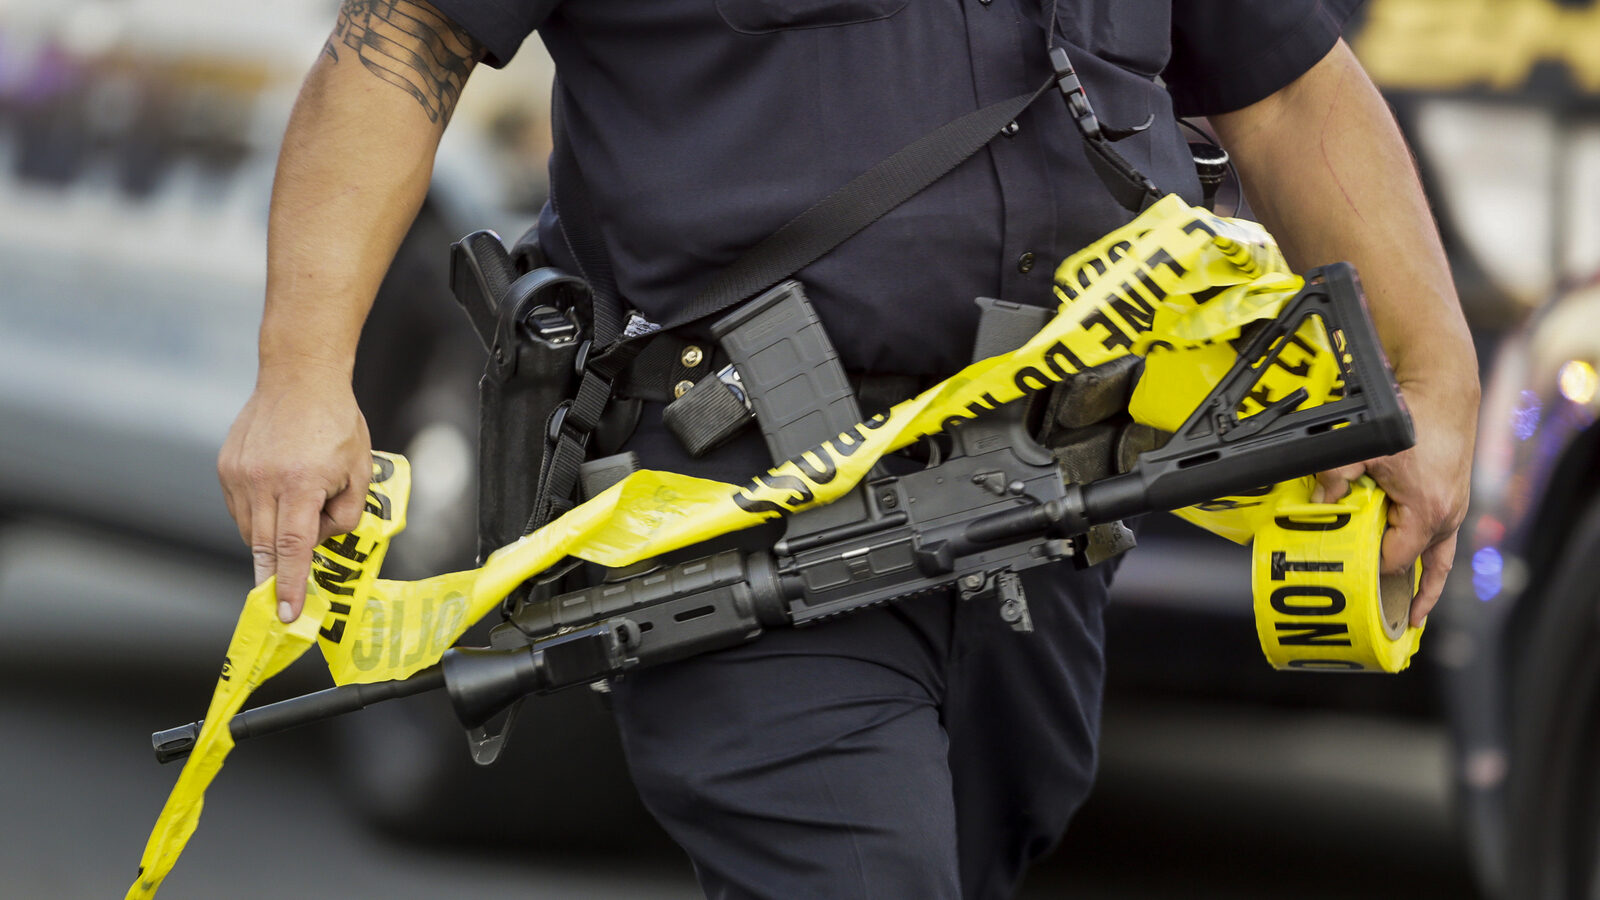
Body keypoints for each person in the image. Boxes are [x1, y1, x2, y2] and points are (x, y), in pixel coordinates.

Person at [218, 1, 1478, 896]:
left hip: (1048, 514)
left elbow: (1292, 90)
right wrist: (298, 380)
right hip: (738, 507)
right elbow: (405, 42)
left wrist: (1432, 375)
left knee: (965, 853)